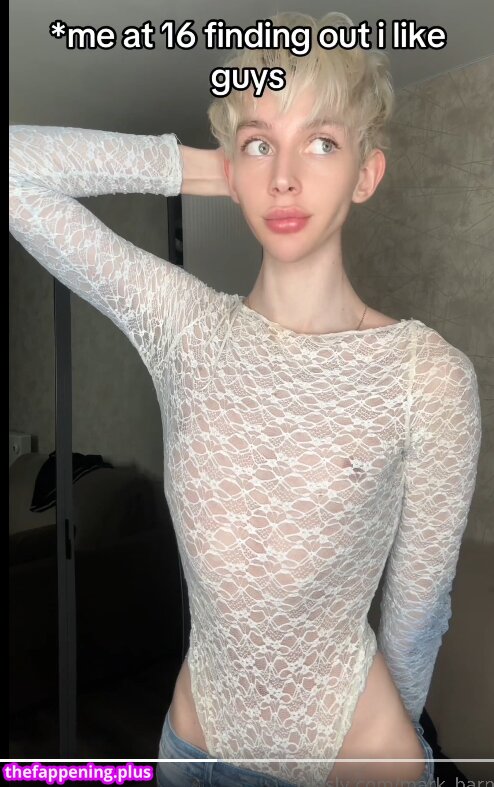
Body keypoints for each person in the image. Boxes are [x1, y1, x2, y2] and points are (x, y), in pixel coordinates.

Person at [9, 10, 482, 787]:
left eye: (321, 142)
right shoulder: (183, 327)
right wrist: (205, 167)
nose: (284, 177)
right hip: (188, 749)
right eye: (262, 143)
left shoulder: (426, 377)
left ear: (367, 173)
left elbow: (418, 615)